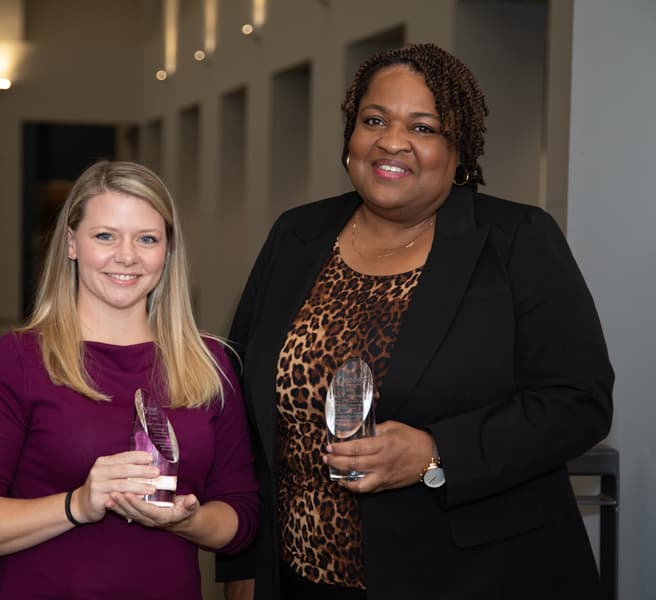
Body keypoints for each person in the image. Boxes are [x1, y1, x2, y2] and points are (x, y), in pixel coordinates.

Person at [217, 43, 613, 600]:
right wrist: (244, 566)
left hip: (474, 576)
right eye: (373, 119)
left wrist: (435, 452)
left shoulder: (516, 241)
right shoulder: (296, 235)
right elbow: (241, 408)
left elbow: (579, 401)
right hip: (300, 578)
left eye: (423, 127)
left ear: (459, 151)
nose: (392, 141)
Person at [0, 160, 259, 599]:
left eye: (147, 239)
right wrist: (78, 504)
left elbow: (241, 519)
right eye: (105, 236)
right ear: (71, 243)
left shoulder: (209, 363)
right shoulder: (24, 359)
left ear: (168, 250)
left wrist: (186, 521)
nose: (126, 256)